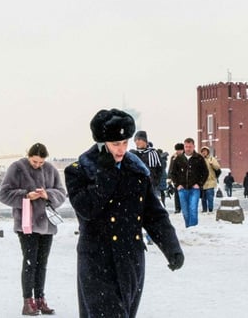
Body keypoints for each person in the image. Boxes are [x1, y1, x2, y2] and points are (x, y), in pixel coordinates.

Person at [65, 109, 183, 317]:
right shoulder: (80, 170)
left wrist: (171, 247)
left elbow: (154, 214)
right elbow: (87, 209)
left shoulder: (136, 170)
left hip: (130, 258)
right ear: (102, 144)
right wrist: (106, 174)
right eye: (115, 144)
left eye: (124, 142)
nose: (121, 150)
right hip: (97, 260)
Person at [0, 142, 67, 316]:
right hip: (26, 223)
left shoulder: (51, 169)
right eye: (34, 161)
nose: (37, 165)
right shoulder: (17, 168)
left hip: (47, 225)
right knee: (30, 262)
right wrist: (25, 195)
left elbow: (61, 193)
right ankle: (27, 302)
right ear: (29, 156)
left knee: (42, 264)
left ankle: (40, 299)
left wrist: (47, 195)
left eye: (41, 162)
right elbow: (4, 194)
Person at [168, 137, 207, 228]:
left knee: (193, 208)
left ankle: (193, 228)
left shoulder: (199, 158)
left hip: (194, 188)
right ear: (184, 147)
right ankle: (188, 227)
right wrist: (177, 185)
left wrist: (200, 184)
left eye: (190, 146)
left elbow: (205, 172)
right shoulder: (179, 159)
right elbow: (173, 173)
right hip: (182, 189)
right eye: (186, 146)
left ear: (194, 146)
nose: (188, 148)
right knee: (185, 210)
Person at [130, 131, 163, 201]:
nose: (136, 142)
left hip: (150, 185)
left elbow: (159, 169)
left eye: (139, 139)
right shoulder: (133, 154)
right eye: (135, 140)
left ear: (145, 140)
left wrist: (155, 181)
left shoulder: (153, 153)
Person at [199, 146, 221, 213]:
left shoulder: (212, 159)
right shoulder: (200, 160)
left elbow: (218, 167)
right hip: (203, 182)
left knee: (210, 197)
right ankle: (204, 210)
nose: (204, 152)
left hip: (210, 181)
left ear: (208, 152)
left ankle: (210, 209)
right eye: (202, 151)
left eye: (205, 151)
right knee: (203, 198)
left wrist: (212, 164)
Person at [168, 143, 184, 214]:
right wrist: (169, 177)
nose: (178, 151)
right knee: (177, 194)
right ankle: (177, 208)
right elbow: (170, 168)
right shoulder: (173, 157)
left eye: (180, 150)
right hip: (176, 178)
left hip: (185, 178)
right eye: (177, 150)